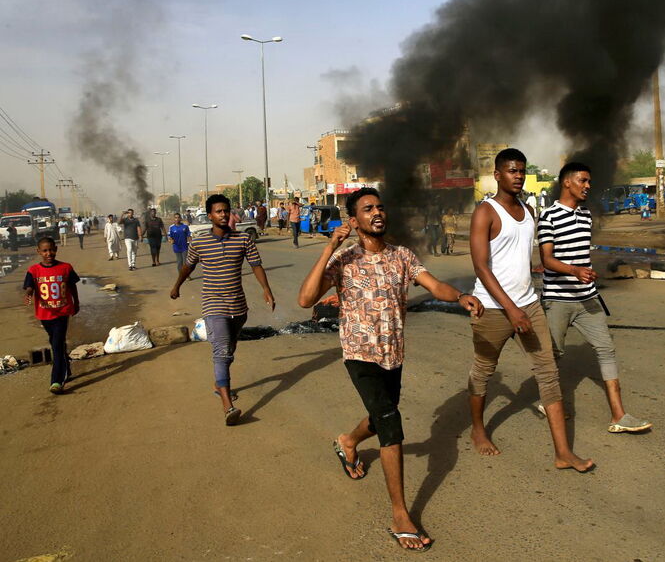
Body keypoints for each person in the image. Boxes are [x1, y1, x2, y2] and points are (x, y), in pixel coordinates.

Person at [297, 187, 481, 552]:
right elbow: (305, 299)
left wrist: (459, 296)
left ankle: (347, 442)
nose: (377, 212)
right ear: (354, 220)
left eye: (380, 206)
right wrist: (329, 247)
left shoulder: (403, 257)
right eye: (367, 209)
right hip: (359, 354)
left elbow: (435, 285)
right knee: (390, 424)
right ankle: (400, 515)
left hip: (392, 354)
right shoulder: (344, 260)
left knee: (380, 415)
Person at [468, 148, 593, 472]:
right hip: (494, 308)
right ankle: (478, 429)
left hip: (528, 304)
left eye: (521, 170)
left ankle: (563, 452)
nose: (518, 176)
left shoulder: (527, 210)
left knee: (549, 373)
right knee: (484, 371)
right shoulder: (486, 211)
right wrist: (510, 310)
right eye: (512, 170)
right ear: (497, 175)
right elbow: (481, 267)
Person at [538, 162, 652, 433]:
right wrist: (575, 270)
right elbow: (546, 259)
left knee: (606, 350)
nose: (588, 186)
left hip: (588, 298)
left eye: (589, 181)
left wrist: (586, 272)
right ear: (567, 182)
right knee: (554, 354)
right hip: (558, 299)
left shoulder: (586, 215)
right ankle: (549, 401)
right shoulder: (549, 217)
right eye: (583, 180)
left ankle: (619, 415)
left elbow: (581, 254)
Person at [170, 194, 276, 426]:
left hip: (238, 306)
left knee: (229, 349)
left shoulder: (242, 239)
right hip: (213, 303)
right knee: (221, 351)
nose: (224, 214)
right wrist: (177, 286)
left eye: (226, 211)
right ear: (210, 215)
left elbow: (256, 265)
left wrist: (266, 289)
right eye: (219, 211)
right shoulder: (198, 242)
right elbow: (188, 266)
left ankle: (220, 383)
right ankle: (228, 405)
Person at [23, 237, 79, 394]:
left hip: (62, 312)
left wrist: (76, 303)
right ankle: (66, 367)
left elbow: (72, 286)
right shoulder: (34, 270)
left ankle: (57, 380)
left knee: (56, 345)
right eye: (45, 251)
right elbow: (29, 286)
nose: (49, 253)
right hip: (45, 313)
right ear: (39, 252)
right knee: (56, 341)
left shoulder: (65, 268)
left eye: (51, 250)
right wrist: (28, 294)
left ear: (56, 249)